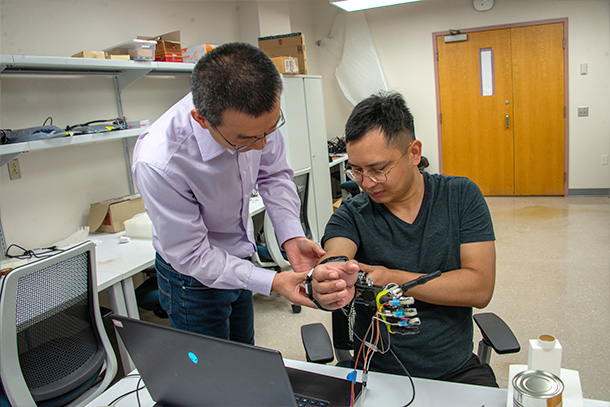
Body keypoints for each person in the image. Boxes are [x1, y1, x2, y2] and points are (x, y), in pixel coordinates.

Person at [132, 42, 324, 345]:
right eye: (246, 139)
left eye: (270, 130)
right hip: (191, 280)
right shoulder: (161, 162)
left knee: (243, 355)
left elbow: (274, 174)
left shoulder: (254, 121)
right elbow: (192, 255)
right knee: (209, 377)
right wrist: (272, 281)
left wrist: (291, 235)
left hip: (240, 260)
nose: (261, 145)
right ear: (202, 120)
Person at [309, 91, 498, 387]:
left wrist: (392, 278)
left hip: (453, 369)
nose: (367, 183)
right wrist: (329, 274)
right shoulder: (353, 213)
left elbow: (479, 288)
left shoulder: (461, 196)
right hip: (375, 371)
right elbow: (336, 254)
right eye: (356, 170)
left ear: (413, 153)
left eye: (378, 169)